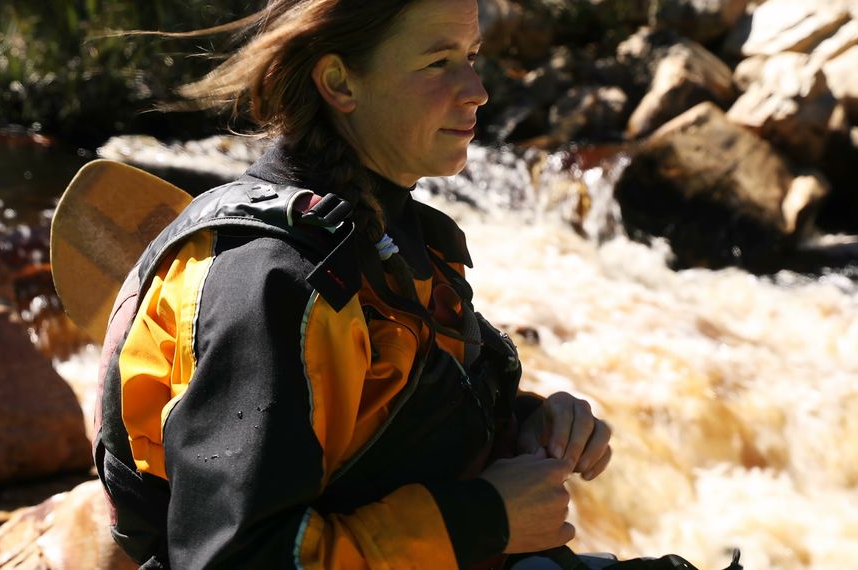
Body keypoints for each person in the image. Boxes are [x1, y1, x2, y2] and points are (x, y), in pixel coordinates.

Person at [93, 0, 614, 568]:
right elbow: (229, 558)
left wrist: (528, 423)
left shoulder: (393, 235)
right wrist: (483, 519)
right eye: (439, 63)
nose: (476, 90)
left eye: (470, 56)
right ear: (340, 82)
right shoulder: (270, 281)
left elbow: (386, 427)